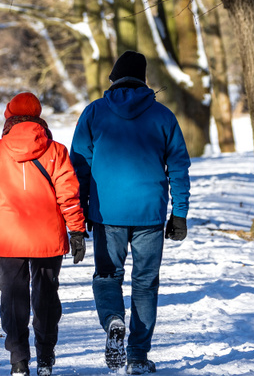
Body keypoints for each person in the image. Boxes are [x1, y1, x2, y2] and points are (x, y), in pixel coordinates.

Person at [71, 51, 191, 374]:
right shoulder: (163, 116)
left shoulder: (93, 113)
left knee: (108, 277)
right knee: (145, 283)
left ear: (113, 79)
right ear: (143, 80)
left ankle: (113, 320)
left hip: (106, 214)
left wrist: (78, 217)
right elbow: (179, 166)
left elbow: (78, 167)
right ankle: (137, 356)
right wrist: (179, 212)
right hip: (150, 214)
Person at [0, 92, 88, 376]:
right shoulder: (56, 151)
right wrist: (76, 229)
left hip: (8, 236)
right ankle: (46, 357)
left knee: (13, 297)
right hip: (48, 236)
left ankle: (18, 360)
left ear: (8, 117)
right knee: (46, 296)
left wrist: (0, 219)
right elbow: (69, 195)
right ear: (39, 116)